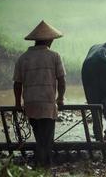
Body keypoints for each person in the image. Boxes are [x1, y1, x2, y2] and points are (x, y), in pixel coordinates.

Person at [13, 20, 66, 167]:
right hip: (47, 105)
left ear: (36, 40)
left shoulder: (23, 58)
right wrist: (60, 98)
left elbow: (17, 84)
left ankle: (41, 164)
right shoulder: (54, 56)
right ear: (49, 40)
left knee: (39, 137)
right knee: (47, 139)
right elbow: (61, 81)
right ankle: (44, 166)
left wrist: (18, 104)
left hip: (30, 105)